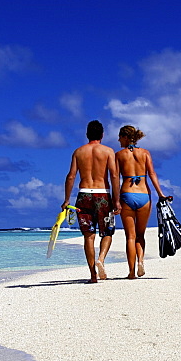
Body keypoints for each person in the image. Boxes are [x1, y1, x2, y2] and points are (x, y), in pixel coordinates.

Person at [63, 120, 120, 283]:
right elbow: (114, 176)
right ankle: (101, 259)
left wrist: (67, 199)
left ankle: (93, 275)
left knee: (88, 236)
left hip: (84, 196)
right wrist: (116, 200)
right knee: (107, 232)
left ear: (87, 134)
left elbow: (71, 176)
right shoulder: (108, 151)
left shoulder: (78, 152)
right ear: (102, 134)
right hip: (103, 196)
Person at [115, 125, 169, 279]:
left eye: (120, 137)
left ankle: (131, 272)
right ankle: (141, 261)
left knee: (130, 237)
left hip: (127, 194)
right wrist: (161, 194)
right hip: (144, 195)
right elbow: (152, 174)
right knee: (140, 235)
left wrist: (115, 200)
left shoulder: (119, 155)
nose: (118, 140)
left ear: (125, 137)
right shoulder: (145, 153)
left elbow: (115, 179)